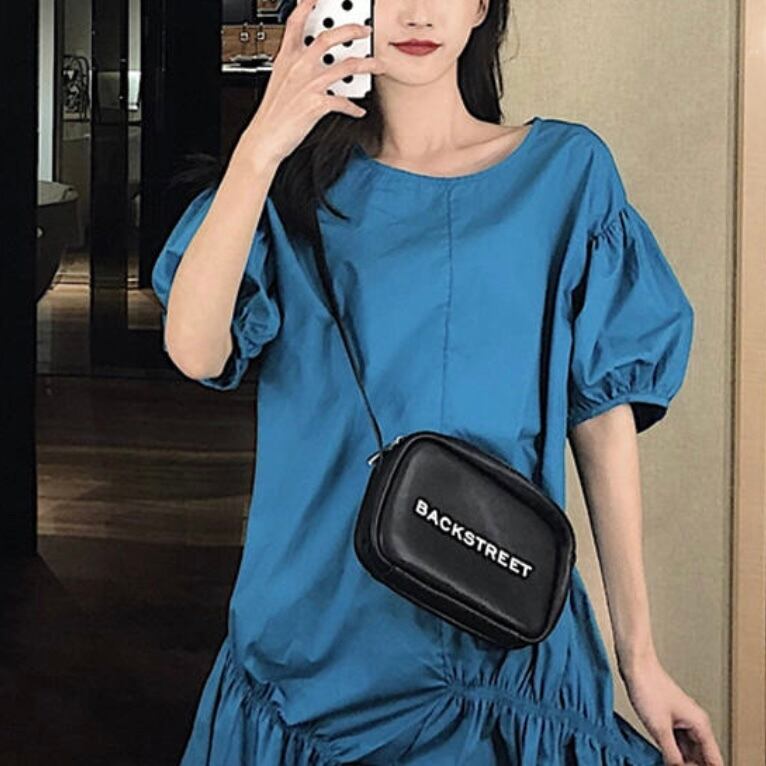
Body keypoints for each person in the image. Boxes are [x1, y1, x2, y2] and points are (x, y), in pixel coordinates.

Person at [152, 0, 724, 764]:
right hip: (314, 650)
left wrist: (639, 657)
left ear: (482, 4)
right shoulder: (288, 190)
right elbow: (195, 349)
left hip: (500, 648)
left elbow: (601, 417)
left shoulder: (565, 173)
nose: (419, 11)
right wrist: (261, 147)